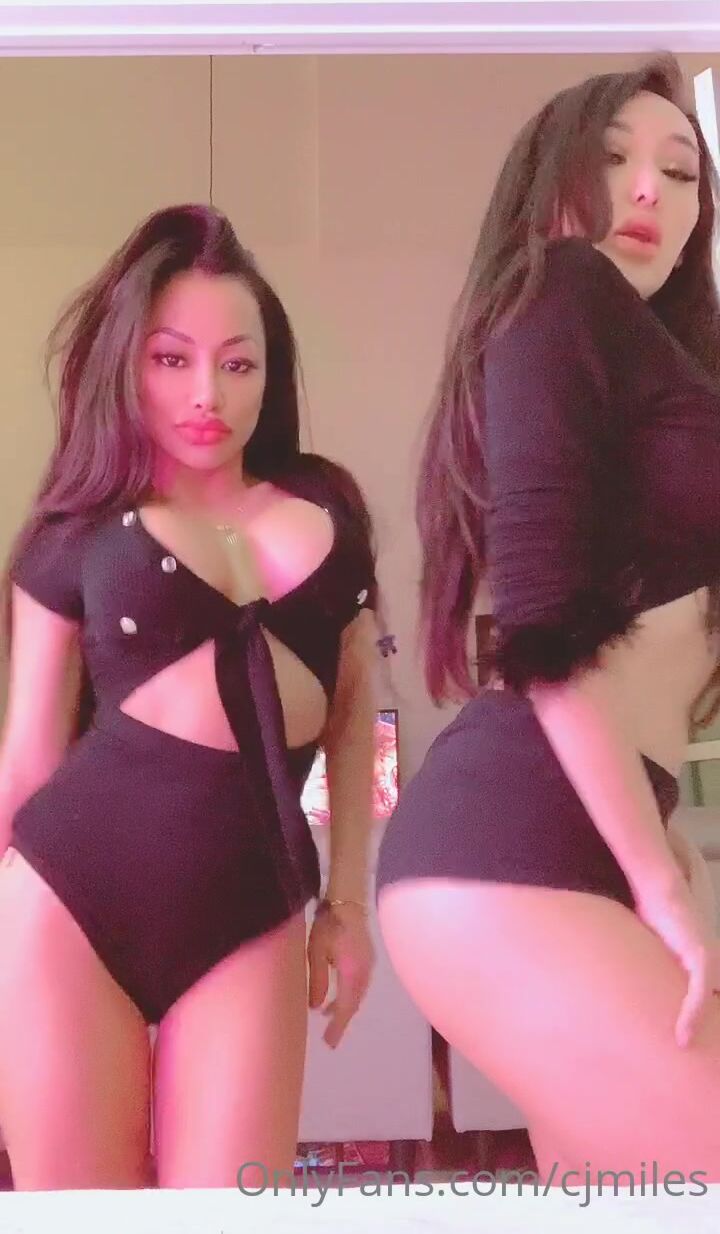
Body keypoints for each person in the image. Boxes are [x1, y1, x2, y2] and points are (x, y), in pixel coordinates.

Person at [375, 54, 720, 1184]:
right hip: (511, 841)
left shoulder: (653, 359)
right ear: (550, 182)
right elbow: (545, 629)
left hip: (577, 835)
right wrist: (659, 882)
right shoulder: (562, 287)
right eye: (613, 158)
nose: (650, 190)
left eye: (683, 171)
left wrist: (659, 849)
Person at [0, 203, 379, 1190]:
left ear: (270, 373)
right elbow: (27, 756)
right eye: (172, 359)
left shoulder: (330, 512)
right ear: (127, 364)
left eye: (237, 363)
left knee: (234, 1210)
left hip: (254, 906)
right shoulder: (75, 531)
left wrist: (348, 904)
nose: (207, 392)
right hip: (67, 900)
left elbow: (352, 714)